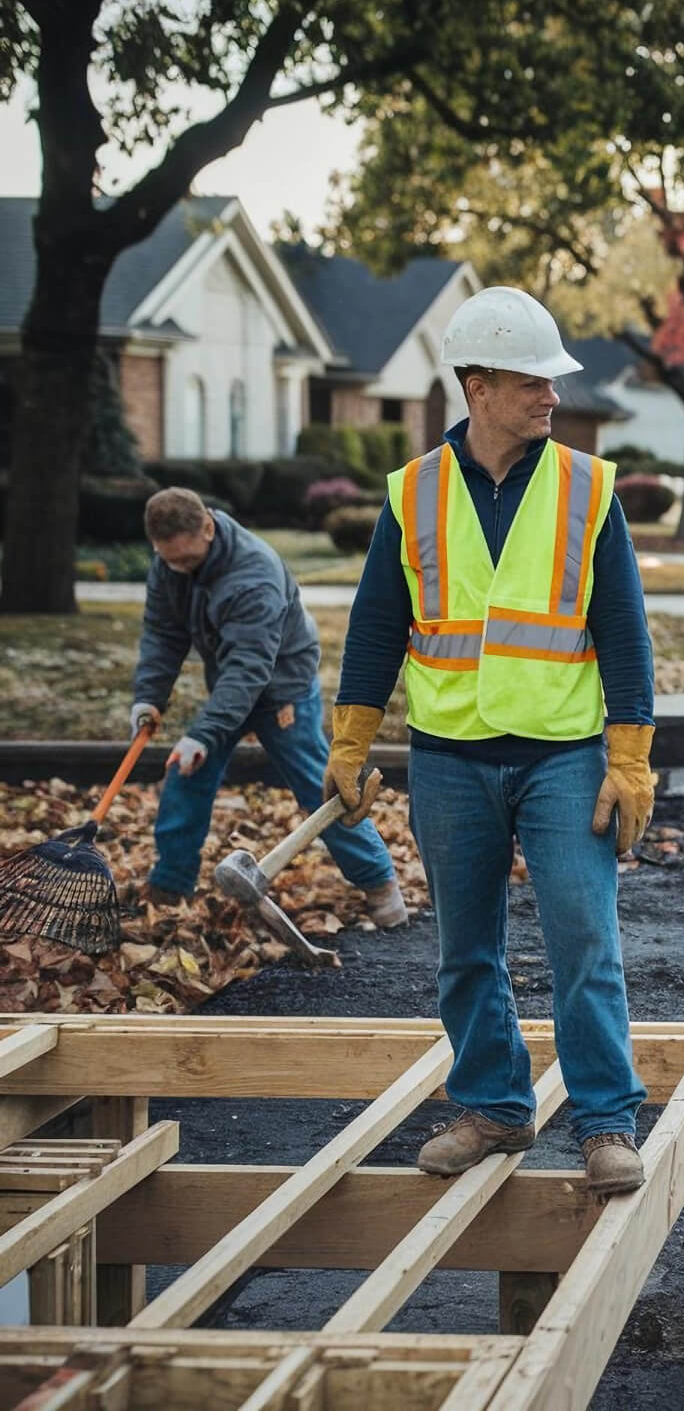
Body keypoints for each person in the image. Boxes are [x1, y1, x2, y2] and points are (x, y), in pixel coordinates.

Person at [325, 287, 656, 1196]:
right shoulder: (413, 492)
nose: (552, 395)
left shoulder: (589, 489)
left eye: (552, 381)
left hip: (562, 755)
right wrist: (351, 740)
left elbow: (625, 633)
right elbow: (375, 626)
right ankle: (494, 1107)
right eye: (532, 381)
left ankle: (604, 1121)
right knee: (464, 947)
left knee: (583, 939)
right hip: (448, 756)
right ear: (476, 386)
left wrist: (629, 758)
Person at [131, 487, 405, 925]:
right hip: (230, 683)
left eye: (186, 561)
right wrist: (148, 696)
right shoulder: (170, 566)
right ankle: (169, 885)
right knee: (186, 771)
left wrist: (203, 732)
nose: (177, 569)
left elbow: (251, 668)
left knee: (319, 787)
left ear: (208, 528)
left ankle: (380, 884)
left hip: (281, 688)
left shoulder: (252, 575)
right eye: (169, 561)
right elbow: (163, 634)